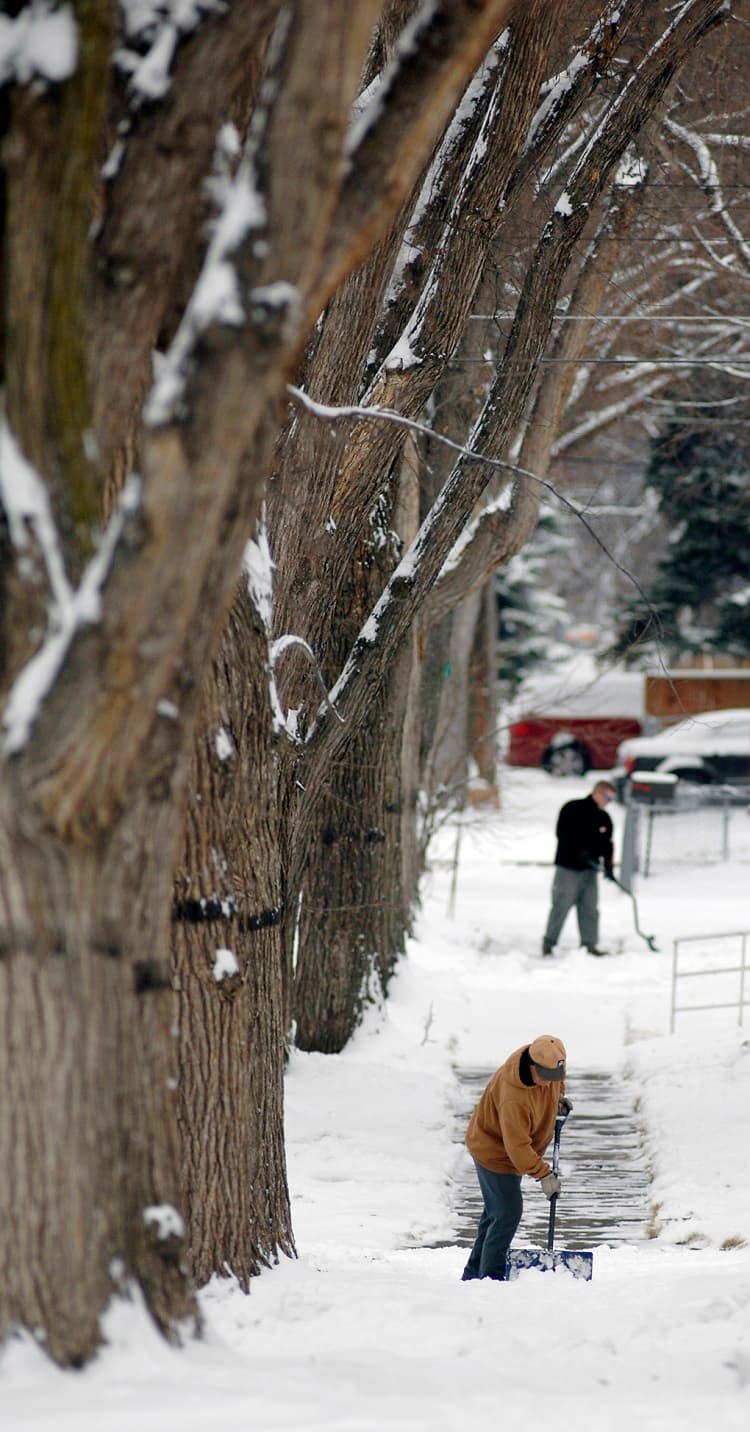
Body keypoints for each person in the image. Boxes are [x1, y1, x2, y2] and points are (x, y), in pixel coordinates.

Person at [461, 1035, 569, 1282]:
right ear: (532, 1066)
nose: (548, 1084)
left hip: (512, 1150)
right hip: (494, 1152)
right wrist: (544, 1175)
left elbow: (554, 1083)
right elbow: (517, 1148)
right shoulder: (513, 1096)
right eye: (545, 1078)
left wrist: (558, 1097)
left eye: (554, 1078)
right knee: (507, 1212)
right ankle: (492, 1277)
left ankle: (473, 1276)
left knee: (496, 1213)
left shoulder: (548, 1067)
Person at [542, 779, 616, 957]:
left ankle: (589, 945)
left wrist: (608, 866)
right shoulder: (573, 809)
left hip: (590, 871)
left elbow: (607, 845)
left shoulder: (604, 818)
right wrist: (579, 852)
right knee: (561, 905)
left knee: (590, 908)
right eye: (608, 798)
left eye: (612, 799)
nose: (609, 802)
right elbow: (563, 834)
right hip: (568, 868)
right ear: (597, 793)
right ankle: (549, 943)